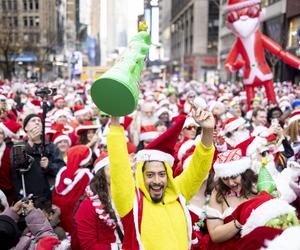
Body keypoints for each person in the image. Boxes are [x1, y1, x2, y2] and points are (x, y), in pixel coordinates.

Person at [107, 108, 215, 249]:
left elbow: (198, 168)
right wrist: (115, 122)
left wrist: (207, 131)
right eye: (150, 175)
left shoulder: (178, 193)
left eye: (162, 174)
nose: (157, 181)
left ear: (168, 176)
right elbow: (118, 165)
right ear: (141, 176)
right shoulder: (131, 202)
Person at [206, 148, 257, 248]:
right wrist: (239, 221)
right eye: (225, 178)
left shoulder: (257, 187)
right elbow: (214, 235)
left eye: (234, 177)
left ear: (244, 174)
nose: (230, 183)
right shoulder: (218, 193)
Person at [11, 113, 65, 201]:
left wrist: (49, 166)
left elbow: (61, 169)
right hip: (27, 195)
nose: (37, 123)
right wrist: (31, 144)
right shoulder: (18, 147)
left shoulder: (51, 146)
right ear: (25, 128)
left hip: (47, 196)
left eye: (39, 121)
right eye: (33, 121)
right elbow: (17, 167)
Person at [75, 154, 123, 249]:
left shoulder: (130, 197)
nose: (117, 172)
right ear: (101, 174)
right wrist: (118, 248)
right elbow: (88, 246)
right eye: (111, 168)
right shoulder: (87, 205)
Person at [52, 145, 94, 250]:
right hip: (77, 217)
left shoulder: (62, 172)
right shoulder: (87, 176)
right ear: (86, 161)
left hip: (59, 216)